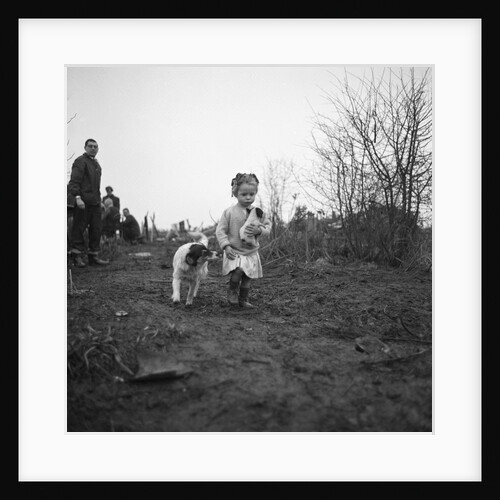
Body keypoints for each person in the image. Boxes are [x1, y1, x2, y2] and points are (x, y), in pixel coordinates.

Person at [215, 173, 272, 308]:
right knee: (239, 270)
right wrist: (226, 246)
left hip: (251, 252)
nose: (248, 197)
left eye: (251, 194)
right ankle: (232, 291)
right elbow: (220, 231)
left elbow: (267, 227)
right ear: (236, 193)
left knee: (247, 278)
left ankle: (243, 299)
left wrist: (259, 231)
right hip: (234, 251)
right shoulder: (229, 212)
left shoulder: (258, 213)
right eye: (244, 194)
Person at [67, 138, 109, 267]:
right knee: (79, 228)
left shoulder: (96, 164)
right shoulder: (80, 161)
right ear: (85, 147)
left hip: (95, 203)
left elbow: (96, 186)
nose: (93, 148)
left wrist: (100, 201)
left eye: (95, 146)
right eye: (90, 146)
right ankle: (77, 257)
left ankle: (93, 256)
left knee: (96, 229)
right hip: (83, 202)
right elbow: (74, 181)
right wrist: (78, 198)